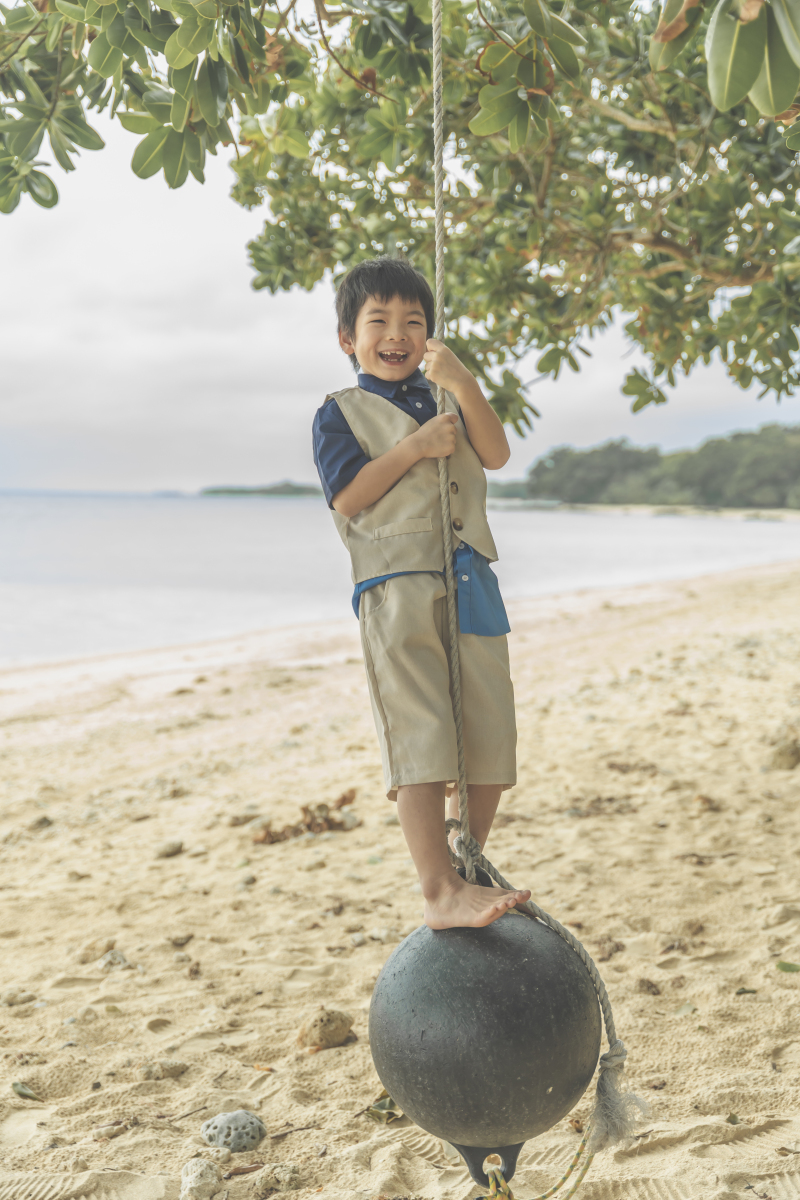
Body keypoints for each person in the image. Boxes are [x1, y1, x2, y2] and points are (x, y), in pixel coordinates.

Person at [312, 256, 529, 929]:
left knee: (490, 739)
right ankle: (438, 892)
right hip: (397, 584)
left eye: (413, 320)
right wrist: (413, 449)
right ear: (349, 338)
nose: (397, 332)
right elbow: (349, 498)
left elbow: (495, 454)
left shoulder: (447, 393)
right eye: (378, 321)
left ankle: (467, 870)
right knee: (423, 737)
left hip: (471, 576)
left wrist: (461, 380)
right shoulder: (338, 414)